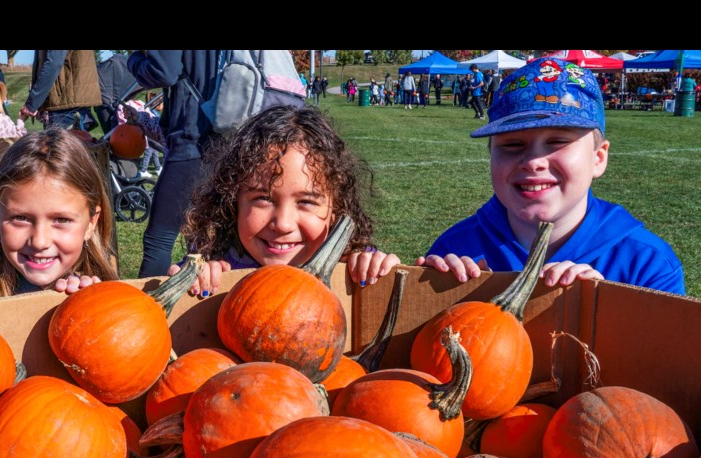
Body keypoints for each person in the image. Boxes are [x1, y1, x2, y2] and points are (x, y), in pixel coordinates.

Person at [416, 57, 685, 296]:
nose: (533, 162)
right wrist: (438, 301)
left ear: (598, 158)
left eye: (557, 142)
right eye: (512, 145)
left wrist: (609, 313)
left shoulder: (647, 266)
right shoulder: (455, 249)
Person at [172, 105, 401, 297]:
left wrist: (377, 268)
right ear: (233, 204)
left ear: (336, 208)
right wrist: (190, 280)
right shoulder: (218, 266)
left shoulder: (351, 265)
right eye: (263, 198)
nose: (283, 224)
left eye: (306, 202)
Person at [0, 128, 118, 302]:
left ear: (91, 223)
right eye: (21, 218)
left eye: (61, 220)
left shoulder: (113, 304)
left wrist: (92, 309)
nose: (40, 242)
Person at [126, 50, 221, 278]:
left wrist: (134, 60)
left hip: (192, 137)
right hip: (227, 134)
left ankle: (146, 310)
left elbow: (164, 72)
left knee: (159, 239)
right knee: (208, 239)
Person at [20, 50, 101, 131]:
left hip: (65, 102)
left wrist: (32, 103)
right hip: (68, 101)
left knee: (60, 143)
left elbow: (54, 63)